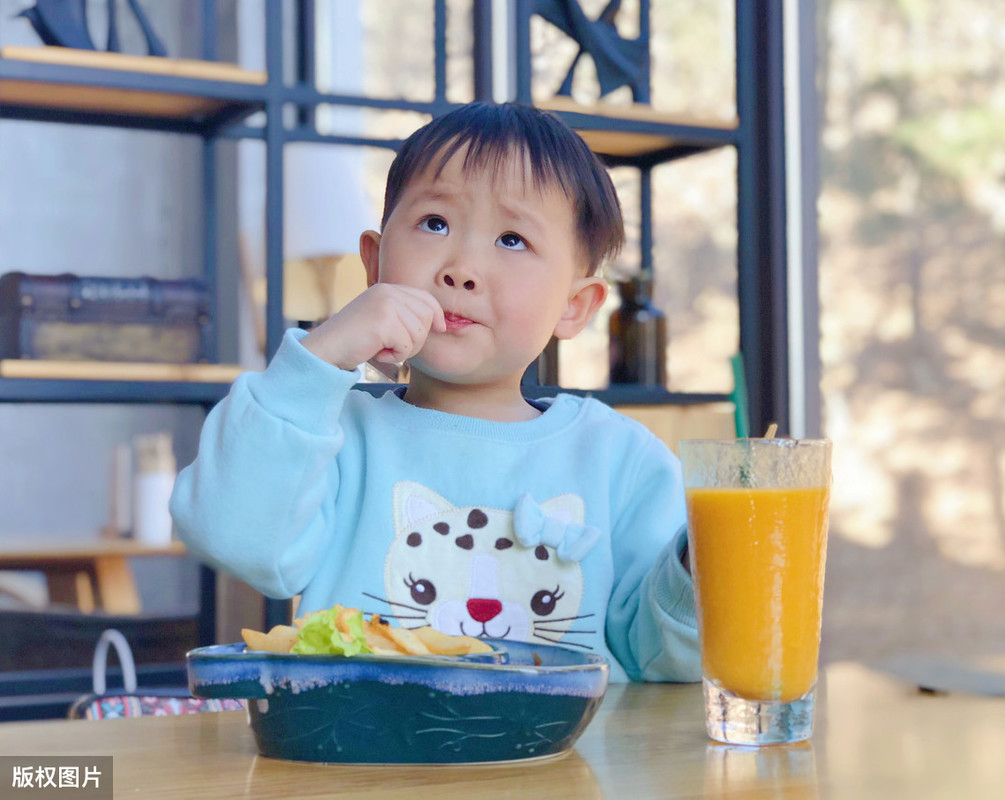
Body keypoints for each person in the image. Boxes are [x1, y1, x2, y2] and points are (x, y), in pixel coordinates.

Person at [170, 102, 700, 683]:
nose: (462, 268)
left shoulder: (622, 461)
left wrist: (705, 569)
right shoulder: (330, 434)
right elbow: (230, 534)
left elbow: (665, 656)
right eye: (435, 224)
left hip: (561, 770)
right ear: (373, 264)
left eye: (512, 239)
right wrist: (319, 358)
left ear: (574, 307)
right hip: (361, 762)